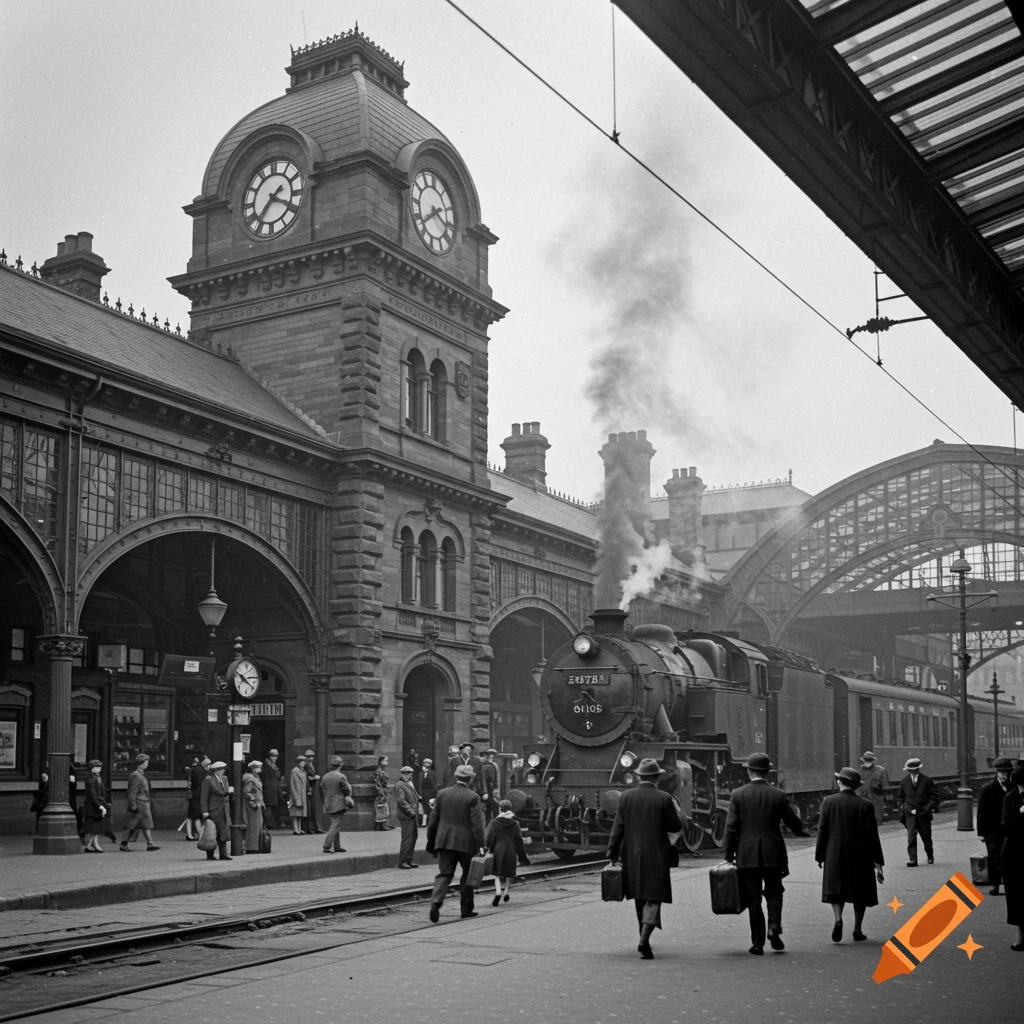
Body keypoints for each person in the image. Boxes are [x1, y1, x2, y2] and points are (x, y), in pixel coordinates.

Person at [724, 751, 806, 955]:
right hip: (773, 851)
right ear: (768, 772)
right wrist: (800, 830)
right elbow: (793, 823)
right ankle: (774, 927)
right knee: (774, 890)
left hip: (747, 852)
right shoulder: (778, 795)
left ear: (749, 772)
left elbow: (731, 828)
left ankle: (757, 943)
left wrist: (727, 855)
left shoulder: (738, 794)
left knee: (753, 898)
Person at [605, 758, 682, 959]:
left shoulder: (626, 797)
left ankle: (643, 935)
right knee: (654, 895)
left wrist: (612, 854)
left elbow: (618, 828)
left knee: (640, 895)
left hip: (632, 854)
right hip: (658, 853)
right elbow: (674, 826)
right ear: (657, 777)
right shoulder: (664, 798)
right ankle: (644, 939)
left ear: (639, 776)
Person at [815, 766, 885, 942]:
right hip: (860, 855)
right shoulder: (866, 805)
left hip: (834, 853)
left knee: (836, 889)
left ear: (840, 782)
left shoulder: (829, 801)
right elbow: (872, 835)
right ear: (856, 786)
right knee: (860, 892)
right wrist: (878, 861)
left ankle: (838, 920)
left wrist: (820, 855)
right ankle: (857, 929)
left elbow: (822, 830)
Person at [426, 763, 487, 922]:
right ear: (471, 779)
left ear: (456, 776)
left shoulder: (442, 794)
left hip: (444, 841)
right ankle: (466, 910)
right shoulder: (473, 796)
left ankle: (436, 901)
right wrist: (482, 845)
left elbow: (433, 821)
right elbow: (477, 825)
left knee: (444, 873)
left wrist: (431, 841)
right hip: (465, 843)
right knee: (467, 875)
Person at [978, 756, 1014, 895]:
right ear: (997, 773)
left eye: (1006, 773)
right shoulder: (987, 789)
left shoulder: (1013, 788)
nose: (1004, 776)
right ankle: (995, 884)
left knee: (1006, 857)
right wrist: (981, 832)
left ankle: (1007, 883)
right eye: (1002, 773)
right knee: (994, 857)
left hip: (1007, 829)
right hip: (991, 830)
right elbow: (981, 811)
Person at [487, 798, 531, 905]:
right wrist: (522, 856)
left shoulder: (495, 822)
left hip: (499, 848)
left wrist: (489, 849)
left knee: (497, 874)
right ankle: (506, 892)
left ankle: (498, 892)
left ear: (500, 809)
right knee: (508, 873)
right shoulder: (515, 823)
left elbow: (490, 838)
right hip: (511, 849)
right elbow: (519, 840)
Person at [897, 757, 938, 867]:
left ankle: (930, 856)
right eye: (910, 770)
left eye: (914, 769)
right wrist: (903, 807)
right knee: (911, 837)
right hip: (910, 814)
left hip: (923, 814)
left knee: (926, 836)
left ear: (918, 769)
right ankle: (913, 860)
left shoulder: (927, 780)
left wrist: (927, 808)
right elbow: (900, 797)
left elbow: (935, 796)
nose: (912, 771)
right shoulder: (904, 781)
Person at [1002, 765, 1024, 951]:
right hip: (1015, 854)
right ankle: (1021, 939)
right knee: (1018, 897)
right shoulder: (1011, 798)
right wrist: (1021, 814)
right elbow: (1007, 826)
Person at [120, 754, 160, 852]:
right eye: (146, 762)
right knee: (132, 825)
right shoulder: (136, 775)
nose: (147, 764)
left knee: (145, 824)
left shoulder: (140, 774)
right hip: (139, 804)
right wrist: (133, 805)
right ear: (141, 763)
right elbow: (132, 791)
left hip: (143, 802)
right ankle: (124, 844)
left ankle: (150, 843)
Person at [320, 755, 353, 853]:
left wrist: (325, 801)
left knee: (335, 824)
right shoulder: (341, 776)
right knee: (335, 825)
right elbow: (347, 789)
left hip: (328, 803)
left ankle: (337, 846)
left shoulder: (325, 776)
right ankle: (327, 846)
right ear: (340, 765)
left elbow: (321, 789)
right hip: (339, 803)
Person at [200, 760, 233, 861]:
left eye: (223, 769)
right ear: (214, 770)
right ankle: (210, 854)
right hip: (213, 809)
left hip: (224, 809)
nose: (221, 771)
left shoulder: (225, 779)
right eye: (219, 769)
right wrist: (205, 811)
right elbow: (204, 797)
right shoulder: (209, 780)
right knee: (212, 831)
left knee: (223, 831)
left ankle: (223, 854)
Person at [394, 764, 421, 868]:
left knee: (413, 837)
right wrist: (411, 812)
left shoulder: (409, 784)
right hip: (406, 815)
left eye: (409, 774)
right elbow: (401, 801)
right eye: (405, 774)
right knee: (407, 838)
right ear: (401, 774)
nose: (407, 776)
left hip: (411, 815)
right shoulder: (400, 785)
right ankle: (403, 861)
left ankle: (409, 860)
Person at [82, 759, 110, 853]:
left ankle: (92, 844)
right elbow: (93, 794)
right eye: (96, 767)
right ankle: (92, 844)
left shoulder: (97, 778)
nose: (99, 769)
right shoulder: (91, 779)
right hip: (93, 805)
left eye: (100, 767)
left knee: (96, 826)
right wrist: (100, 805)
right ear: (91, 768)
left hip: (96, 804)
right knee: (94, 826)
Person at [856, 751, 890, 826]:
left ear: (872, 761)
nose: (867, 762)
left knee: (876, 822)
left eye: (869, 760)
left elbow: (885, 786)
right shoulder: (860, 770)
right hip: (863, 797)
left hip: (876, 799)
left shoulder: (881, 770)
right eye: (865, 760)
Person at [242, 760, 265, 853]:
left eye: (259, 767)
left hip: (257, 804)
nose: (259, 769)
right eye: (257, 767)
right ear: (252, 768)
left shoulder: (256, 778)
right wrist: (254, 801)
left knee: (257, 825)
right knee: (253, 826)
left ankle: (255, 846)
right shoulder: (250, 779)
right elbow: (246, 792)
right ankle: (252, 847)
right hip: (252, 805)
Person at [302, 749, 323, 833]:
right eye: (309, 756)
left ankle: (314, 827)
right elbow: (306, 777)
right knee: (309, 808)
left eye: (312, 756)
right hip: (309, 788)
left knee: (312, 808)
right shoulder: (306, 765)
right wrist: (314, 778)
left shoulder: (310, 765)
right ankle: (309, 827)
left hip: (312, 787)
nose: (311, 758)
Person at [374, 755, 395, 830]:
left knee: (385, 808)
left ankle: (384, 824)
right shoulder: (379, 771)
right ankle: (382, 825)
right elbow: (378, 783)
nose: (387, 762)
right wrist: (382, 794)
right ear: (381, 761)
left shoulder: (382, 770)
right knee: (382, 808)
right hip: (381, 792)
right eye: (385, 760)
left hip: (384, 791)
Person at [289, 755, 309, 834]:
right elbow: (293, 784)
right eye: (301, 762)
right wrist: (295, 796)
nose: (303, 764)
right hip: (296, 793)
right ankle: (295, 829)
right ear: (298, 763)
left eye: (304, 762)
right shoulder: (294, 771)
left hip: (302, 794)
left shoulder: (304, 771)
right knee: (295, 813)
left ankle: (299, 828)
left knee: (300, 813)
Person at [263, 749, 282, 829]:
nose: (275, 758)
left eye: (276, 756)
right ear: (269, 756)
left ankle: (271, 823)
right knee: (268, 806)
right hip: (269, 789)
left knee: (272, 806)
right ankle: (268, 823)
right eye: (273, 756)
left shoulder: (273, 765)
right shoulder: (265, 765)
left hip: (273, 789)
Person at [481, 748, 500, 823]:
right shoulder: (487, 766)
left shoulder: (493, 765)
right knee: (490, 807)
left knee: (492, 807)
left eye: (491, 757)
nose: (490, 758)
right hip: (489, 789)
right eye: (489, 756)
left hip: (492, 789)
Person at [418, 758, 438, 827]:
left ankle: (428, 822)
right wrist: (419, 794)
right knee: (421, 809)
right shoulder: (419, 772)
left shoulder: (432, 773)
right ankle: (420, 822)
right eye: (425, 763)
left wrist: (435, 794)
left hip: (430, 793)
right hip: (421, 792)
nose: (426, 764)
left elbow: (434, 784)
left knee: (429, 808)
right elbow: (418, 784)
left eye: (428, 763)